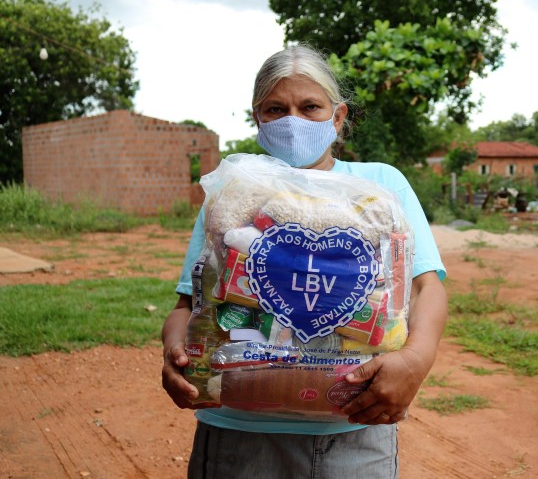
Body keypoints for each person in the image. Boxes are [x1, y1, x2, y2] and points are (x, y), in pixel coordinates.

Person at [161, 45, 448, 478]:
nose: (292, 120)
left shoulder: (380, 185)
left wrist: (415, 361)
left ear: (337, 116)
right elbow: (189, 303)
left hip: (355, 426)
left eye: (309, 106)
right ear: (257, 118)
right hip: (237, 431)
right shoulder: (235, 191)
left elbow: (427, 286)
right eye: (276, 109)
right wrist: (174, 351)